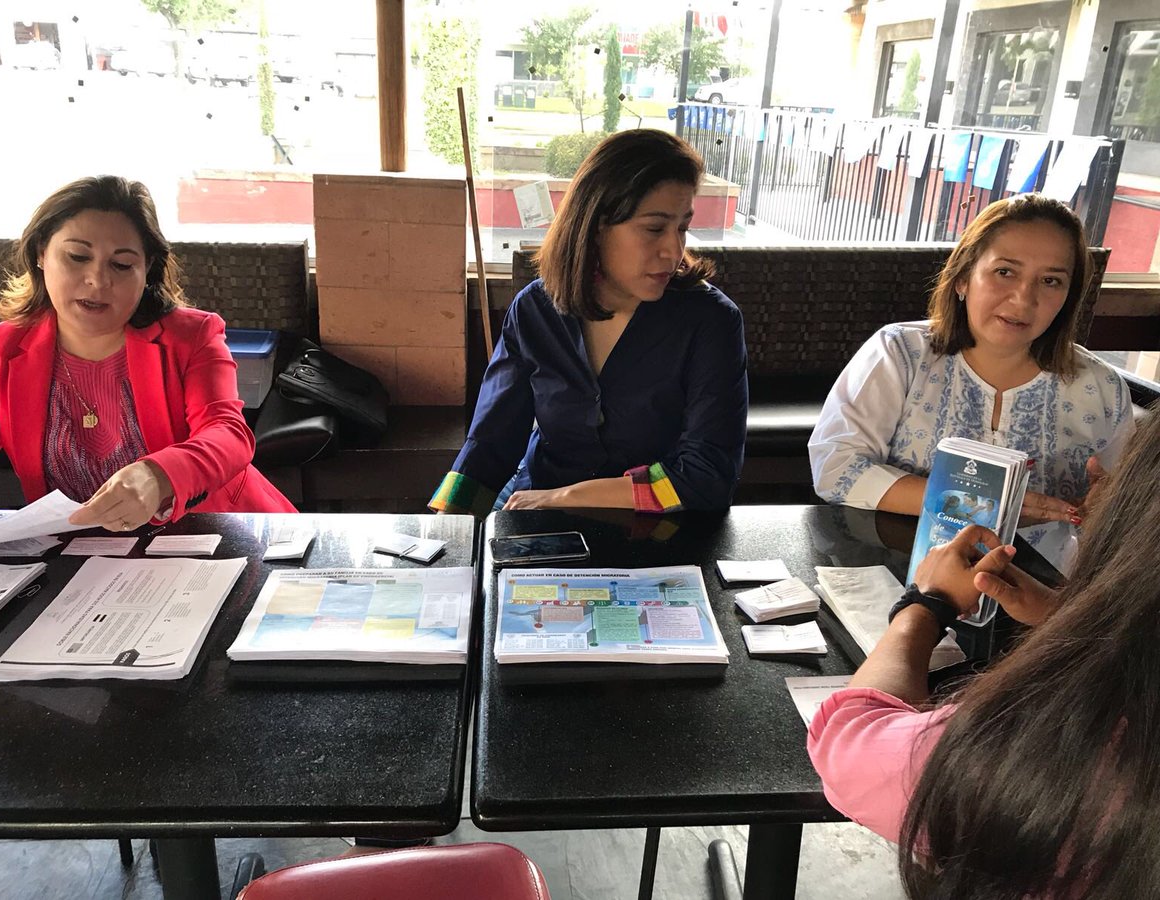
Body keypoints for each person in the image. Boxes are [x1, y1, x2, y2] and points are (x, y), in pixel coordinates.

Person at [807, 408, 1160, 897]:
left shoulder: (1061, 743)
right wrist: (1070, 618)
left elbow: (850, 745)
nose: (1099, 476)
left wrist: (926, 604)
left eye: (1123, 476)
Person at [429, 129, 747, 516]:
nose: (674, 250)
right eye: (654, 229)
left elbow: (707, 475)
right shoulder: (536, 310)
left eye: (682, 228)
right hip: (535, 506)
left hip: (652, 524)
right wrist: (448, 530)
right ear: (595, 226)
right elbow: (490, 441)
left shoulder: (710, 321)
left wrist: (567, 496)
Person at [0, 175, 296, 529]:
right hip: (75, 549)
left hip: (217, 532)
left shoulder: (192, 336)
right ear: (41, 253)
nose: (97, 280)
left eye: (121, 265)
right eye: (77, 257)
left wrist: (158, 475)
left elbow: (228, 433)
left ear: (147, 268)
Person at [809, 193, 1133, 526]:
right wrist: (985, 506)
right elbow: (836, 467)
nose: (1023, 299)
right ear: (963, 278)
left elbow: (1129, 500)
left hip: (1047, 562)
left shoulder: (1103, 389)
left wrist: (1109, 506)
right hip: (896, 556)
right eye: (1005, 272)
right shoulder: (900, 353)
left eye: (1050, 281)